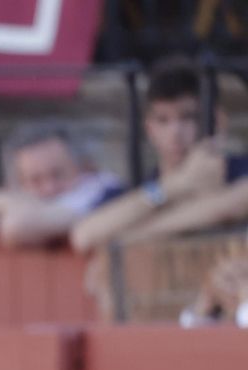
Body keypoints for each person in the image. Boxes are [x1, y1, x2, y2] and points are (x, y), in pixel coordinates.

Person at [71, 59, 248, 253]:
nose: (175, 133)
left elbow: (230, 206)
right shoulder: (142, 189)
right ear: (150, 129)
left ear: (217, 120)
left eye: (188, 117)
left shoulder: (240, 171)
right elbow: (84, 236)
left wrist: (133, 236)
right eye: (163, 120)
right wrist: (174, 185)